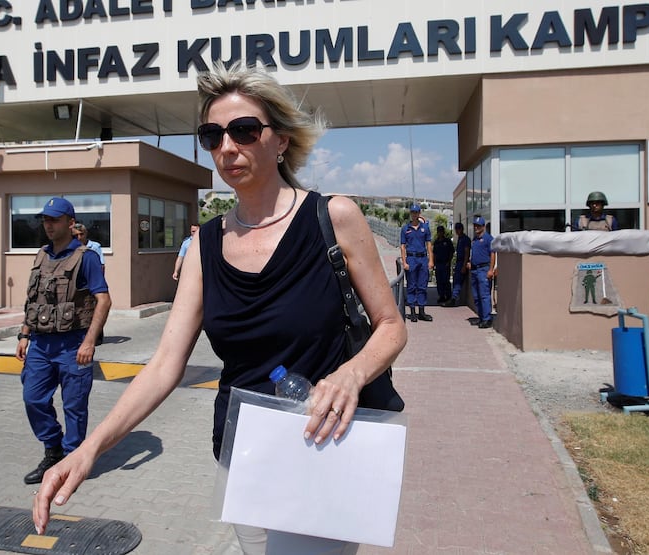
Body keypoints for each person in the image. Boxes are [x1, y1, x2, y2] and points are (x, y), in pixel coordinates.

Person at [32, 63, 407, 555]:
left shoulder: (331, 218)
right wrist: (87, 451)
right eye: (212, 135)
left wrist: (351, 375)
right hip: (243, 457)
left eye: (245, 130)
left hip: (324, 447)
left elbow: (390, 326)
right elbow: (164, 366)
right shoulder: (205, 245)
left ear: (280, 141)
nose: (227, 147)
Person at [16, 197, 111, 485]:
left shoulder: (87, 257)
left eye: (54, 219)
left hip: (73, 345)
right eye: (45, 219)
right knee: (33, 398)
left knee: (74, 407)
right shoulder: (41, 255)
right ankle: (53, 450)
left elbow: (103, 300)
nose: (48, 224)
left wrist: (90, 342)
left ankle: (72, 461)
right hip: (41, 346)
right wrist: (24, 333)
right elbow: (34, 299)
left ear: (70, 223)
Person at [400, 204, 434, 322]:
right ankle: (413, 312)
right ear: (411, 214)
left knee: (422, 286)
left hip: (422, 259)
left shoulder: (425, 228)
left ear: (420, 213)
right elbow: (403, 247)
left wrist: (431, 260)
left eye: (416, 212)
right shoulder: (406, 229)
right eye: (413, 212)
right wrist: (404, 262)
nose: (414, 214)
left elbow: (429, 245)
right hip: (411, 259)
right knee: (411, 286)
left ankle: (422, 311)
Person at [466, 216, 496, 329]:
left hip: (484, 269)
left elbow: (493, 254)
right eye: (475, 226)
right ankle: (481, 317)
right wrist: (469, 261)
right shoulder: (474, 239)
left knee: (484, 295)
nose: (476, 228)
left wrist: (491, 270)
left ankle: (487, 319)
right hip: (474, 270)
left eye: (478, 226)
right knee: (476, 296)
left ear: (483, 226)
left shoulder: (489, 239)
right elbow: (472, 253)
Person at [443, 222, 470, 307]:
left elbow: (466, 253)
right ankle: (453, 298)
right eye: (456, 229)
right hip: (458, 262)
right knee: (455, 281)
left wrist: (464, 265)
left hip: (462, 262)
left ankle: (453, 299)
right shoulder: (460, 238)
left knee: (458, 281)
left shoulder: (465, 239)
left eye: (459, 229)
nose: (457, 231)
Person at [432, 225, 454, 304]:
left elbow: (451, 252)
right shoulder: (436, 242)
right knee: (439, 280)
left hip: (445, 263)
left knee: (446, 281)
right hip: (438, 264)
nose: (440, 233)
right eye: (439, 232)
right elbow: (434, 253)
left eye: (441, 231)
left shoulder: (447, 241)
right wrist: (433, 263)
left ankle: (448, 295)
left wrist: (449, 261)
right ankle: (441, 296)